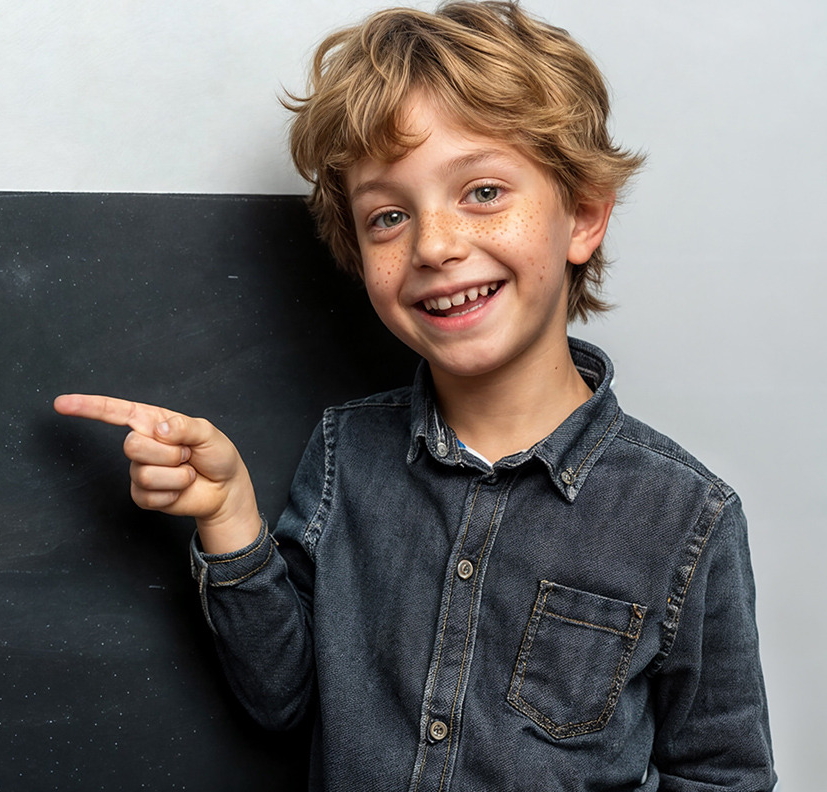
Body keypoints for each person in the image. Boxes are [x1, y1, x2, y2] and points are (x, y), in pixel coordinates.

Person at [54, 2, 776, 789]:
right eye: (389, 216)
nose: (434, 245)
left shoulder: (685, 518)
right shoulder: (344, 455)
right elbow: (281, 700)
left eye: (484, 192)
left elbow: (721, 773)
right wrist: (229, 518)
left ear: (584, 216)